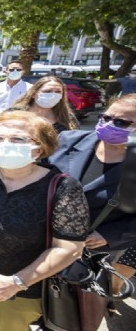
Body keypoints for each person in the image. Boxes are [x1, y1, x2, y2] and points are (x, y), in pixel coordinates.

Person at [0, 110, 90, 331]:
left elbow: (69, 248)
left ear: (39, 148)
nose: (4, 144)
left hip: (20, 288)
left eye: (17, 139)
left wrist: (17, 282)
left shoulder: (62, 187)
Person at [48, 95, 136, 259]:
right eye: (106, 117)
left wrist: (110, 234)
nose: (108, 125)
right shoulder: (67, 140)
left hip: (94, 251)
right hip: (44, 238)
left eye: (121, 122)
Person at [9, 75, 79, 133]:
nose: (53, 95)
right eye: (48, 91)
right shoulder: (14, 113)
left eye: (58, 92)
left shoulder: (67, 117)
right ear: (33, 94)